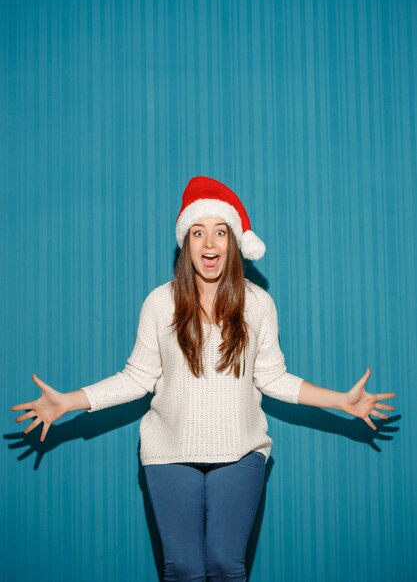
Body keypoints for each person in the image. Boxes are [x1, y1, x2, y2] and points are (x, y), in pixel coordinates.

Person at [10, 175, 396, 582]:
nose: (209, 244)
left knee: (226, 566)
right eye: (198, 232)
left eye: (219, 232)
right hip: (168, 452)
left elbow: (274, 377)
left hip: (241, 450)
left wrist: (342, 401)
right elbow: (137, 377)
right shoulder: (160, 303)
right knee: (184, 570)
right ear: (186, 242)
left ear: (233, 243)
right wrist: (69, 401)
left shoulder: (258, 304)